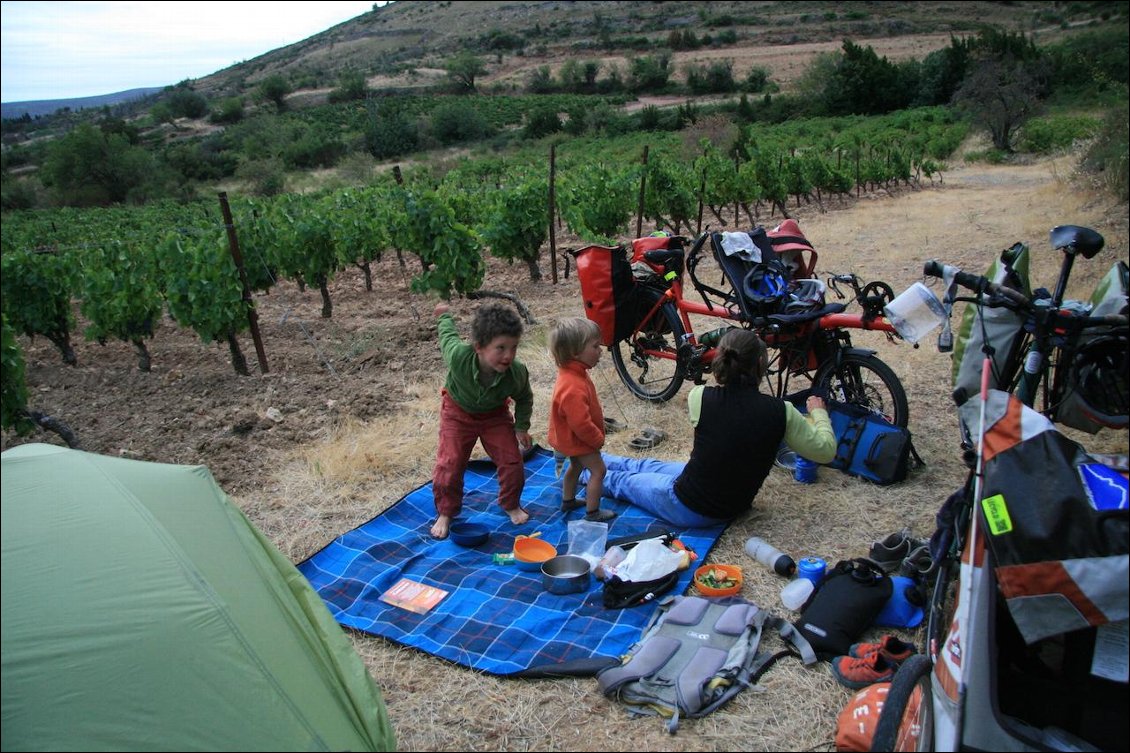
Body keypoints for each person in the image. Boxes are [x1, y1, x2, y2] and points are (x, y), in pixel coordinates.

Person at [584, 328, 836, 528]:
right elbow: (825, 451)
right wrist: (819, 413)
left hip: (692, 507)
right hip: (721, 499)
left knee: (623, 481)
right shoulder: (782, 412)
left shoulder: (700, 397)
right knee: (644, 466)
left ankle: (577, 470)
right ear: (760, 365)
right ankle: (588, 460)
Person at [429, 301, 534, 539]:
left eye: (513, 347)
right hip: (457, 412)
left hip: (494, 415)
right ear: (479, 347)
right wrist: (444, 316)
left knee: (512, 461)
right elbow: (448, 337)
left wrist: (521, 427)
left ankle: (510, 503)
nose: (508, 355)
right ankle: (446, 512)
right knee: (451, 463)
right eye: (500, 348)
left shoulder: (516, 373)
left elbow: (525, 398)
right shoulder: (459, 357)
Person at [546, 318, 617, 523]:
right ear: (576, 352)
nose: (600, 350)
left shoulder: (573, 373)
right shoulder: (573, 385)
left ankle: (568, 500)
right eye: (595, 346)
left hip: (569, 439)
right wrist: (596, 439)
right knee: (598, 470)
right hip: (579, 440)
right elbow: (580, 423)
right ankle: (593, 512)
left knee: (576, 466)